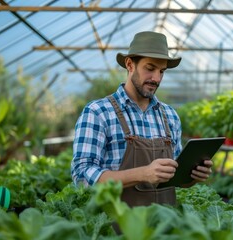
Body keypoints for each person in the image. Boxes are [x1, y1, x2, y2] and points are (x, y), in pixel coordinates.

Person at [71, 31, 213, 207]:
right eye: (150, 68)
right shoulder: (98, 112)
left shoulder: (170, 116)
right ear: (130, 65)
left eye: (162, 71)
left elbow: (174, 178)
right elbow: (82, 177)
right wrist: (142, 174)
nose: (157, 78)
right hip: (114, 228)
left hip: (163, 227)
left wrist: (192, 176)